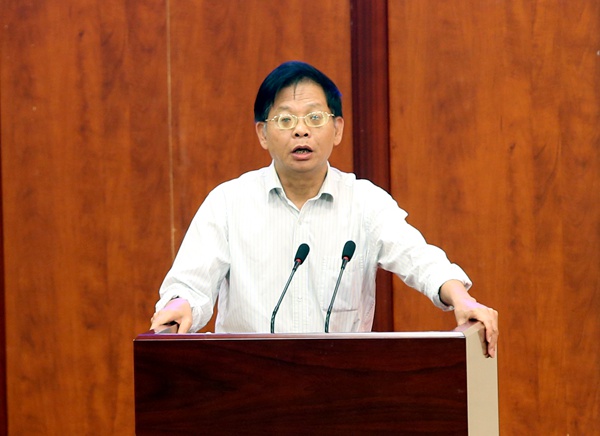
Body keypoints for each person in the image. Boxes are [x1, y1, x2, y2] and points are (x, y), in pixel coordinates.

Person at [150, 60, 499, 357]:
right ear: (262, 134)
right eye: (285, 120)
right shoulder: (228, 203)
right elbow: (190, 285)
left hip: (340, 386)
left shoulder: (365, 202)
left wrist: (461, 298)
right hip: (247, 384)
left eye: (315, 118)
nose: (301, 131)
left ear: (337, 129)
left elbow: (419, 259)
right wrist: (180, 305)